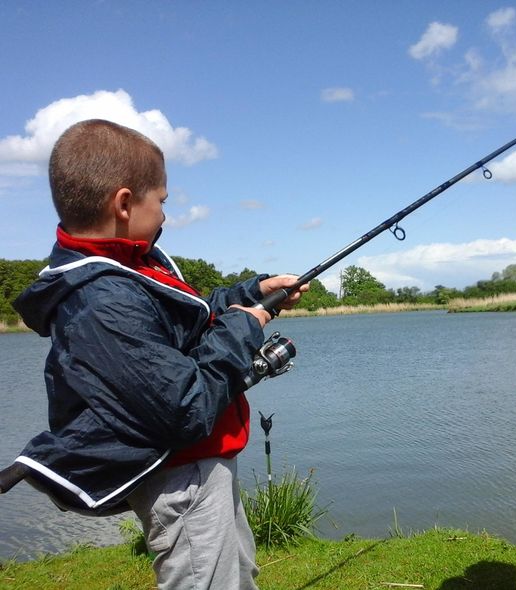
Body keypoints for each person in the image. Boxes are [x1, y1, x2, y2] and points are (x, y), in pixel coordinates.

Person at [11, 119, 307, 590]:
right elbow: (185, 406)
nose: (166, 215)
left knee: (237, 573)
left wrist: (252, 293)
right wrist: (244, 328)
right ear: (125, 203)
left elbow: (180, 324)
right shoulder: (100, 302)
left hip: (202, 464)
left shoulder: (126, 263)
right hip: (180, 476)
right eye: (163, 201)